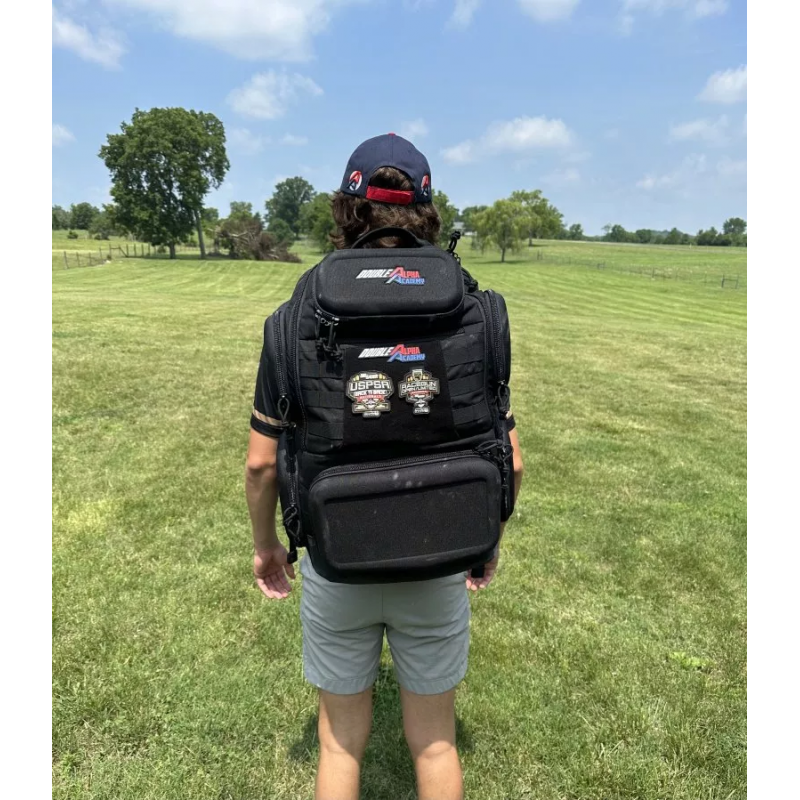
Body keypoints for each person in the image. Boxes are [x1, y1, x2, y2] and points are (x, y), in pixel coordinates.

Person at [245, 133, 524, 800]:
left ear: (347, 211)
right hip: (439, 554)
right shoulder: (474, 310)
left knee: (339, 743)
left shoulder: (295, 315)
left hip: (337, 558)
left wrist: (267, 548)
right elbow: (510, 459)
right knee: (436, 742)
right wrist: (486, 543)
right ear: (427, 212)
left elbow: (260, 465)